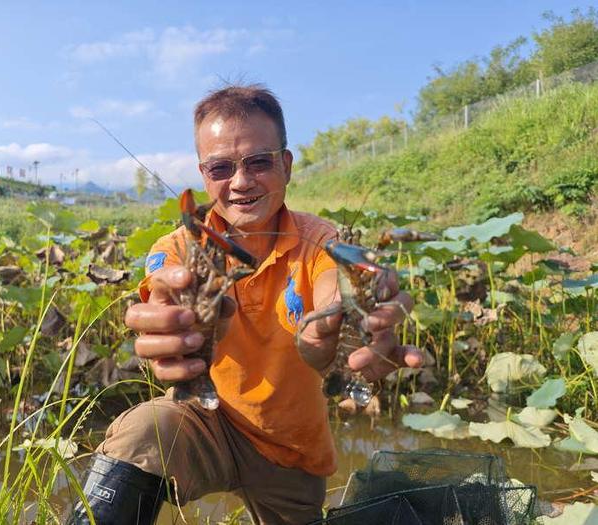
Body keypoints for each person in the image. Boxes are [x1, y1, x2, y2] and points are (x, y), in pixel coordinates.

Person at [69, 85, 422, 525]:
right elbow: (162, 290)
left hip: (291, 450)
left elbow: (333, 279)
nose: (240, 181)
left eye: (259, 161)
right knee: (143, 431)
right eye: (221, 168)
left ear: (286, 165)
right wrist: (168, 315)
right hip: (205, 420)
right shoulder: (181, 244)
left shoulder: (318, 239)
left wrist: (344, 319)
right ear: (203, 176)